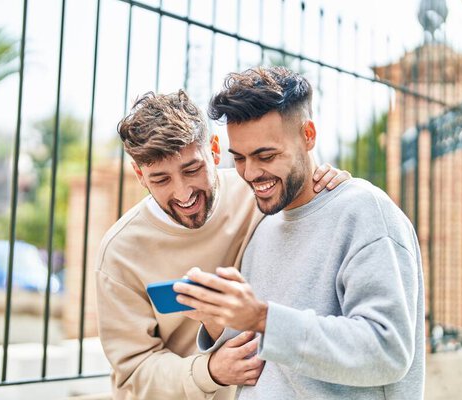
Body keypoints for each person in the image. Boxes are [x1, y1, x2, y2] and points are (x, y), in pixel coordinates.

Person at [173, 67, 425, 400]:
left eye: (266, 155)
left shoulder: (364, 212)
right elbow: (272, 356)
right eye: (239, 158)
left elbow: (387, 350)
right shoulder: (263, 227)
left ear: (308, 135)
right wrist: (217, 320)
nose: (250, 172)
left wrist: (264, 318)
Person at [95, 89, 351, 399]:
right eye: (161, 179)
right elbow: (133, 371)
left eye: (192, 169)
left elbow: (301, 188)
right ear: (139, 174)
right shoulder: (120, 253)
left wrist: (325, 182)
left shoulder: (258, 195)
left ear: (214, 150)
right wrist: (210, 371)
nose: (183, 193)